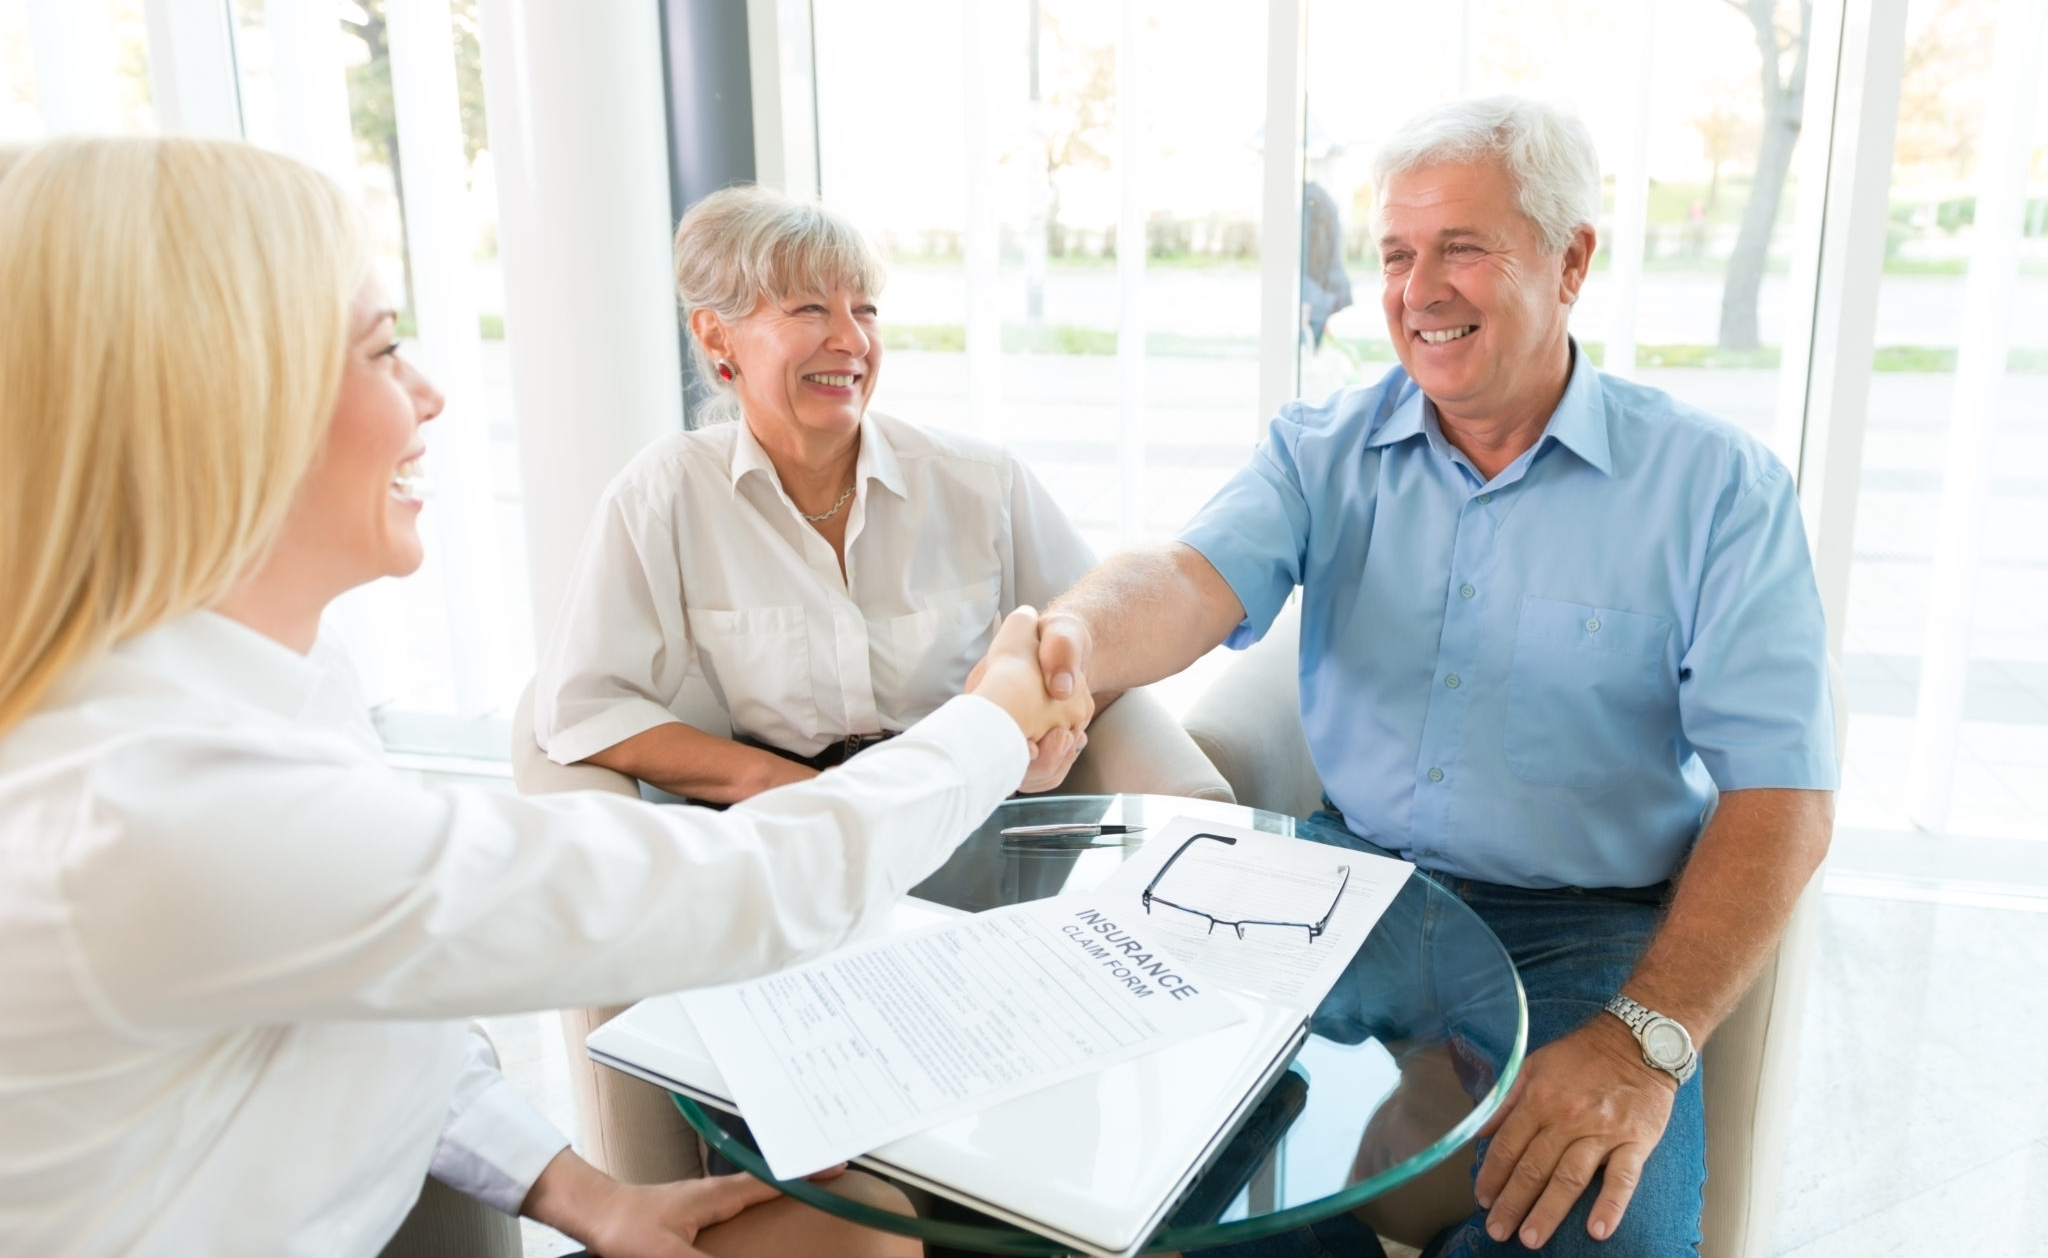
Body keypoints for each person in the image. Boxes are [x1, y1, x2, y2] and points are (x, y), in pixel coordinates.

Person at [0, 136, 1087, 1257]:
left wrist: (587, 1194)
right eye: (382, 351)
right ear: (215, 404)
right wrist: (991, 722)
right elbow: (742, 887)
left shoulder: (283, 686)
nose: (427, 391)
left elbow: (365, 1019)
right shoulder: (150, 809)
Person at [1032, 96, 1836, 1255]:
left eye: (1461, 247)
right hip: (1340, 887)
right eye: (1397, 254)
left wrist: (1634, 1042)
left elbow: (1782, 794)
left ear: (1570, 262)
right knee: (1142, 1153)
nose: (1418, 289)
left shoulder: (1715, 490)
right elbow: (1183, 574)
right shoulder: (1321, 447)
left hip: (1581, 931)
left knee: (1600, 1236)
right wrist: (1069, 638)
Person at [531, 185, 1099, 803]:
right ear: (718, 337)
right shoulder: (664, 493)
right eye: (809, 309)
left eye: (866, 310)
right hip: (779, 826)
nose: (852, 341)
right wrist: (814, 796)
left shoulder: (980, 479)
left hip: (963, 807)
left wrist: (1034, 739)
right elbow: (583, 706)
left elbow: (1095, 634)